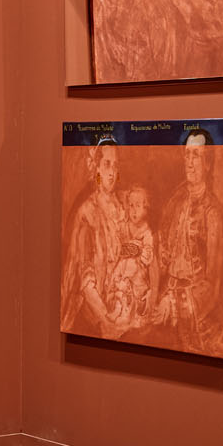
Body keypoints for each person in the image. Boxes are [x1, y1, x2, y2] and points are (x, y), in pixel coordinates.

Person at [155, 128, 223, 354]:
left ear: (207, 164)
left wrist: (174, 304)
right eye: (187, 155)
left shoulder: (213, 213)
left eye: (196, 156)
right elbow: (163, 257)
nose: (189, 162)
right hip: (165, 298)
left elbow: (212, 287)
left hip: (199, 317)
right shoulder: (174, 203)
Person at [60, 138, 129, 337]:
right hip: (95, 313)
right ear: (96, 168)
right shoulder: (87, 213)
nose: (112, 172)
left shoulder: (124, 206)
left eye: (115, 165)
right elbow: (86, 280)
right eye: (107, 164)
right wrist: (106, 318)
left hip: (121, 302)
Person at [106, 187, 157, 330]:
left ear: (145, 209)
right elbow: (117, 246)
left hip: (138, 274)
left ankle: (126, 312)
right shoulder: (124, 227)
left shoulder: (146, 231)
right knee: (119, 274)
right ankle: (117, 308)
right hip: (123, 269)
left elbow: (148, 256)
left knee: (131, 266)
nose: (134, 211)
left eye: (138, 206)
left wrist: (141, 251)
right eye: (131, 205)